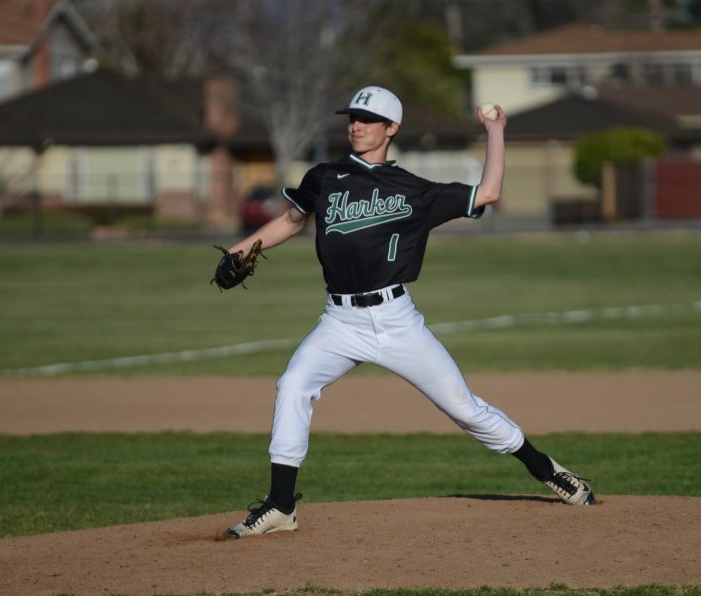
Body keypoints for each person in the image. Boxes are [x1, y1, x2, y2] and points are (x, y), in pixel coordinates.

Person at [222, 86, 595, 539]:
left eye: (367, 119)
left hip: (397, 320)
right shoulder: (325, 176)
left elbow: (490, 192)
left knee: (466, 410)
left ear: (391, 128)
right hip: (339, 322)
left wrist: (495, 130)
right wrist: (240, 251)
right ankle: (281, 506)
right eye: (352, 118)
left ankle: (547, 470)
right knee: (294, 385)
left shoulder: (415, 191)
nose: (355, 125)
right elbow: (292, 220)